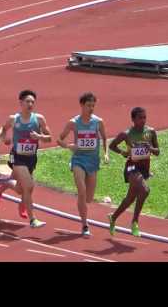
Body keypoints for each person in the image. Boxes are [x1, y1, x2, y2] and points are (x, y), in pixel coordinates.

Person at [0, 90, 51, 228]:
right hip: (17, 157)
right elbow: (2, 129)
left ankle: (3, 185)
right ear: (21, 103)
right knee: (29, 186)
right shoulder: (14, 119)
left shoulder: (39, 119)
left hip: (31, 158)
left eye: (32, 102)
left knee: (21, 189)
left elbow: (49, 138)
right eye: (27, 101)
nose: (30, 104)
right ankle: (33, 219)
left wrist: (40, 137)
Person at [57, 92, 109, 237]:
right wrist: (69, 146)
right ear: (82, 105)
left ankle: (82, 206)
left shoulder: (98, 122)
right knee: (82, 191)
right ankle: (85, 225)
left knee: (88, 198)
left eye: (93, 105)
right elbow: (59, 139)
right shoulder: (73, 123)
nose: (91, 108)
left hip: (93, 161)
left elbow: (104, 138)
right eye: (88, 105)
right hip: (78, 159)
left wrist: (106, 154)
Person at [107, 107, 159, 237]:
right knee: (145, 190)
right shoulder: (126, 134)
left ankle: (113, 217)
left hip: (144, 167)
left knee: (130, 198)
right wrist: (123, 152)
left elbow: (158, 152)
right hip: (131, 167)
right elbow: (112, 146)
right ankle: (135, 222)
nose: (143, 120)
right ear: (133, 119)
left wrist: (151, 148)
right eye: (140, 118)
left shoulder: (151, 132)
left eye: (144, 117)